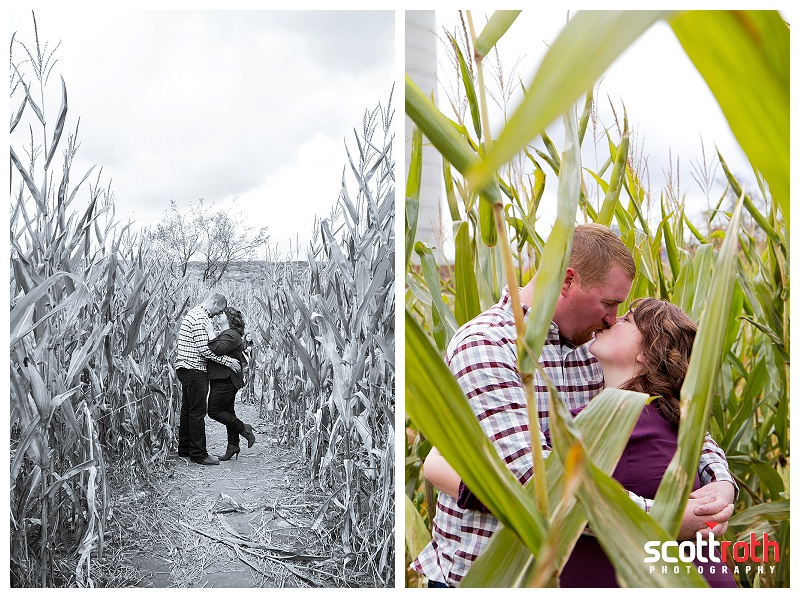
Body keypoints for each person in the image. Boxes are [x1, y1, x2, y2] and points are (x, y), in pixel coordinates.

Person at [410, 223, 737, 587]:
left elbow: (675, 417)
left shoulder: (597, 348)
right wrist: (663, 517)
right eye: (610, 303)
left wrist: (720, 483)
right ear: (567, 281)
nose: (612, 319)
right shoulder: (487, 346)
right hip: (490, 574)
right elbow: (532, 480)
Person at [175, 292, 241, 466]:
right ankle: (199, 454)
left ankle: (185, 449)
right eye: (218, 310)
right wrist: (228, 362)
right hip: (194, 369)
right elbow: (206, 350)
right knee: (197, 413)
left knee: (188, 410)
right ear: (213, 302)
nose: (217, 315)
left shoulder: (194, 314)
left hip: (186, 368)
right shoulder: (199, 318)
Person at [206, 306, 256, 460]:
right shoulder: (228, 334)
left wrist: (209, 331)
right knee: (228, 412)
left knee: (214, 411)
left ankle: (244, 429)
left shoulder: (232, 335)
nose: (218, 315)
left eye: (222, 313)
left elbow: (218, 349)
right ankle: (233, 445)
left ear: (229, 318)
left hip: (225, 380)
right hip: (223, 379)